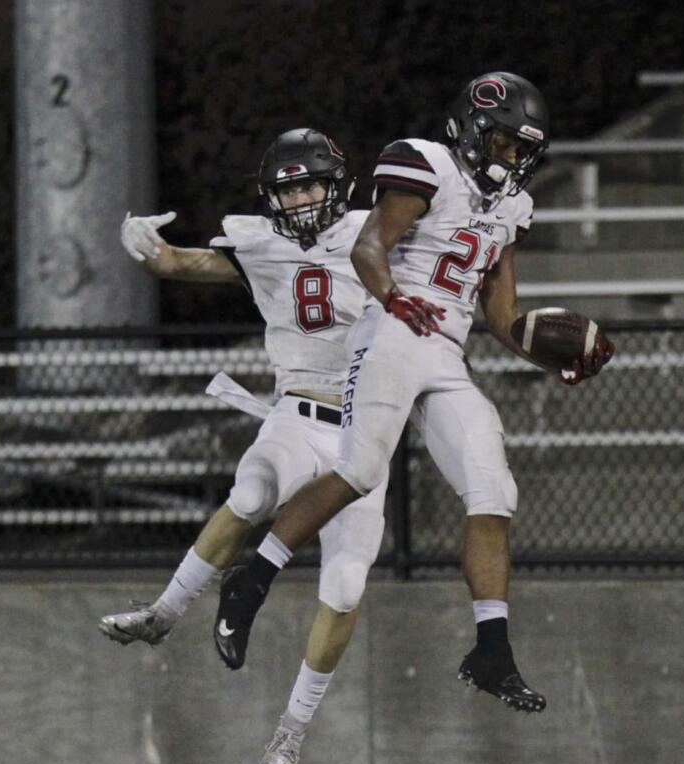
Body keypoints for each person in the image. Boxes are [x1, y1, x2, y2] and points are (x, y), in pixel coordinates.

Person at [213, 72, 614, 715]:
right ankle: (251, 578)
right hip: (395, 331)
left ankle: (492, 649)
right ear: (471, 129)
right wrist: (396, 298)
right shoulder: (425, 163)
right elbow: (371, 246)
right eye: (505, 144)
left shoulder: (510, 209)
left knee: (493, 490)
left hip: (447, 350)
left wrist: (555, 361)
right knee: (361, 469)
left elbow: (504, 318)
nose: (512, 160)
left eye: (521, 149)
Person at [98, 128, 388, 764]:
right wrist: (143, 246)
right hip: (295, 413)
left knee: (344, 587)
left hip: (365, 431)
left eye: (311, 184)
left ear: (337, 185)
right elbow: (179, 264)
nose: (302, 199)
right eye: (288, 189)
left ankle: (291, 730)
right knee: (253, 490)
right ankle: (165, 613)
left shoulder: (375, 235)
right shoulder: (260, 246)